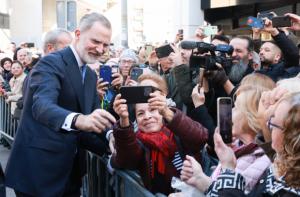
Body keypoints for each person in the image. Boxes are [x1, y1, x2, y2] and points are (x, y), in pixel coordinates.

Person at [5, 12, 116, 197]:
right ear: (78, 34)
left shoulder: (89, 75)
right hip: (38, 174)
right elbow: (42, 106)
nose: (100, 49)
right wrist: (79, 120)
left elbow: (94, 115)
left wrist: (110, 135)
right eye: (95, 41)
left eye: (105, 44)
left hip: (71, 175)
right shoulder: (50, 63)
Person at [110, 73, 208, 195]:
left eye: (153, 109)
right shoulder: (136, 138)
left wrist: (167, 112)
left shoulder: (178, 127)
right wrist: (123, 120)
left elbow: (200, 138)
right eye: (140, 113)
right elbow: (126, 159)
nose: (147, 117)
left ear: (163, 97)